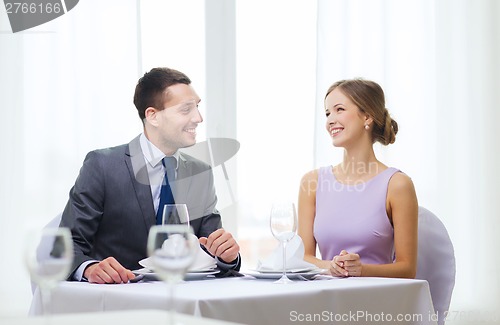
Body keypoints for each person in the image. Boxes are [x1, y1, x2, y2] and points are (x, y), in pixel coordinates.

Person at [60, 67, 241, 284]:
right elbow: (66, 245)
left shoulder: (200, 172)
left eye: (197, 108)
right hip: (118, 300)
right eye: (186, 110)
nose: (198, 118)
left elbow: (212, 249)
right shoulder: (102, 165)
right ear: (153, 116)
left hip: (184, 302)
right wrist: (89, 268)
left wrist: (228, 256)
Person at [297, 78, 418, 278]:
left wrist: (361, 270)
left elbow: (407, 269)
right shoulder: (312, 182)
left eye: (339, 110)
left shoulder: (397, 184)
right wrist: (331, 266)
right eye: (327, 113)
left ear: (367, 117)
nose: (330, 120)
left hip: (377, 302)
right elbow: (303, 258)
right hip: (325, 300)